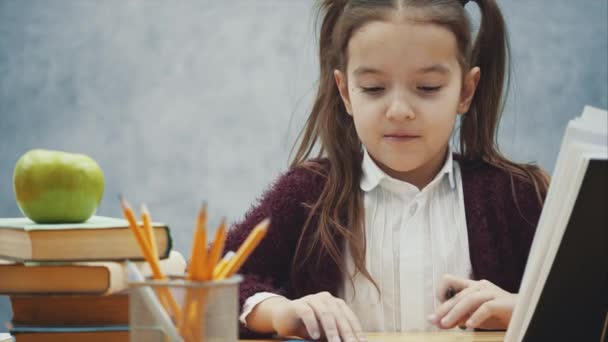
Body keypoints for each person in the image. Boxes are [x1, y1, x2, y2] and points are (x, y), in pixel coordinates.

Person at [223, 0, 549, 340]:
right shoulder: (306, 193)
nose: (398, 111)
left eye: (428, 88)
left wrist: (523, 307)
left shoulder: (519, 197)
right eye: (374, 88)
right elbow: (219, 283)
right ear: (346, 92)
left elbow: (591, 298)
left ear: (466, 91)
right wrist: (280, 313)